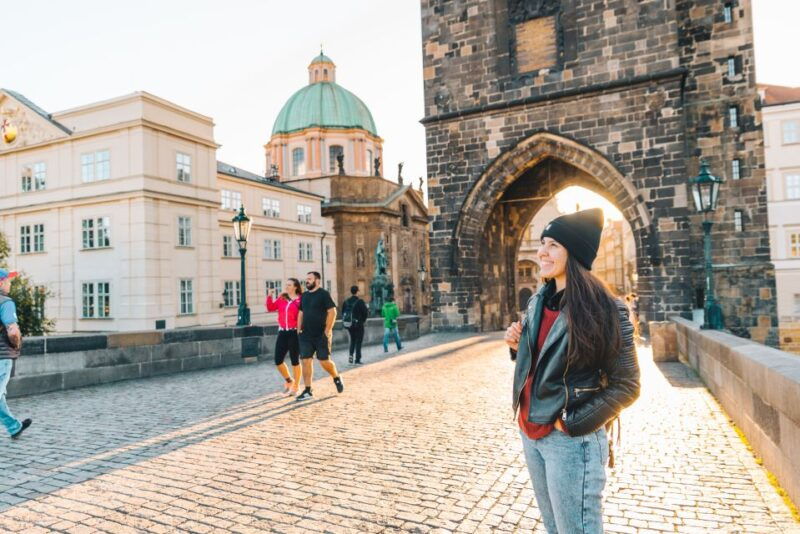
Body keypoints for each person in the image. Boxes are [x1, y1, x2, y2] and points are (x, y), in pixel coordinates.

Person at [504, 209, 640, 534]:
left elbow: (627, 385)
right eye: (542, 243)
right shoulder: (539, 300)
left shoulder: (606, 308)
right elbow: (541, 363)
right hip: (530, 431)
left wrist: (570, 423)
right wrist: (517, 347)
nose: (541, 252)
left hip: (570, 441)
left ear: (573, 252)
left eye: (552, 245)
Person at [296, 272, 343, 400]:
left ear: (317, 281)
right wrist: (298, 329)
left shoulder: (323, 294)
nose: (307, 281)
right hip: (306, 334)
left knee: (324, 361)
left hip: (321, 334)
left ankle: (336, 377)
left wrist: (327, 331)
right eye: (306, 279)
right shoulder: (304, 296)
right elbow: (301, 313)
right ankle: (307, 390)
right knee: (305, 361)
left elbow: (332, 312)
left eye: (309, 279)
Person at [0, 269, 32, 439]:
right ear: (0, 283)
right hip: (2, 357)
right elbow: (12, 331)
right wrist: (17, 343)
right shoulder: (5, 302)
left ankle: (14, 427)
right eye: (8, 280)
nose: (10, 283)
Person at [265, 278, 302, 396]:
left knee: (295, 361)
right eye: (286, 285)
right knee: (278, 360)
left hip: (294, 333)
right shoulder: (282, 298)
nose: (286, 287)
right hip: (282, 332)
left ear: (295, 287)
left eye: (289, 285)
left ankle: (296, 387)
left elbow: (303, 316)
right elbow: (270, 307)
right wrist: (269, 296)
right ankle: (289, 381)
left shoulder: (300, 300)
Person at [342, 285, 369, 364]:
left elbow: (343, 312)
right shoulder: (360, 301)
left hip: (349, 324)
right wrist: (362, 321)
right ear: (357, 291)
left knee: (352, 340)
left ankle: (350, 356)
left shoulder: (346, 301)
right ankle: (357, 359)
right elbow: (365, 313)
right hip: (358, 324)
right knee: (358, 341)